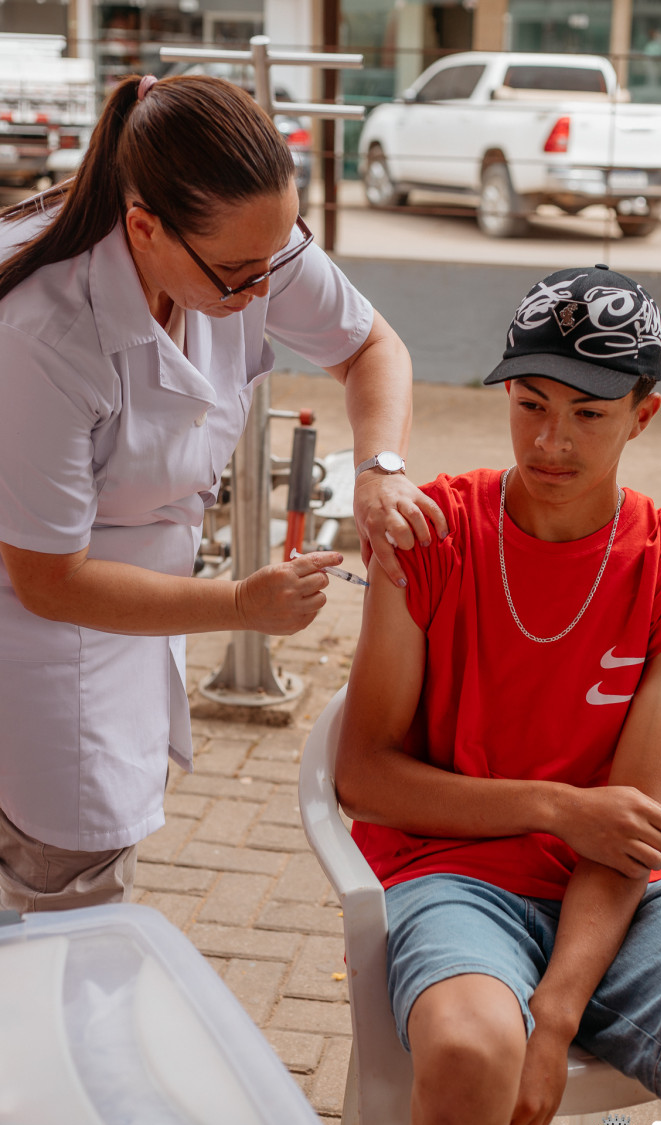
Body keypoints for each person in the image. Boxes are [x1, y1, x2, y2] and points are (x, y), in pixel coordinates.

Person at [336, 265, 661, 1125]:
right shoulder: (432, 536)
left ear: (644, 414)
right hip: (452, 871)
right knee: (469, 1059)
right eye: (530, 401)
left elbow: (626, 830)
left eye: (590, 413)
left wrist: (555, 1015)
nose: (551, 440)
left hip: (621, 894)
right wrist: (555, 804)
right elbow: (365, 773)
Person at [0, 72, 446, 913]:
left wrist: (379, 467)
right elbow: (48, 581)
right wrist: (242, 602)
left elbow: (371, 347)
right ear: (144, 229)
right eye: (241, 274)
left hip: (119, 606)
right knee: (63, 911)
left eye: (276, 260)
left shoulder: (244, 244)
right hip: (35, 638)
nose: (262, 291)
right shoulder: (44, 332)